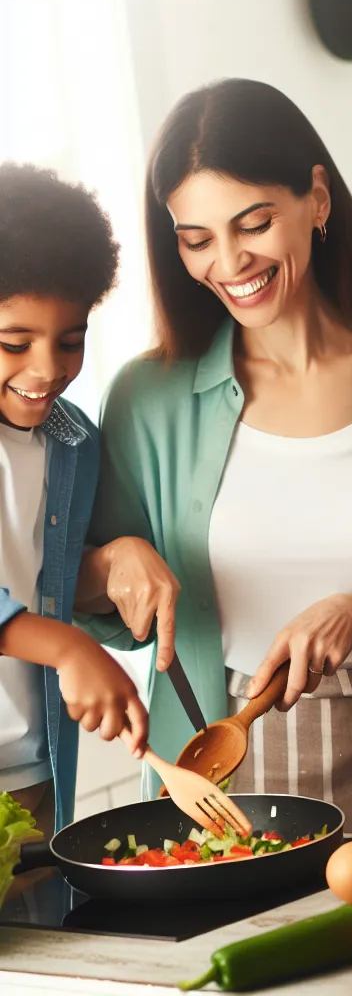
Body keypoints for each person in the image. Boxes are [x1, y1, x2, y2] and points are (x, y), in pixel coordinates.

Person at [74, 79, 352, 833]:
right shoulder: (148, 395)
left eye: (254, 223)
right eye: (196, 239)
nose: (229, 262)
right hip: (209, 778)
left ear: (318, 199)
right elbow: (77, 593)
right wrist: (114, 563)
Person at [0, 163, 147, 839]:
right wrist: (67, 649)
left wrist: (119, 557)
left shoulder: (74, 441)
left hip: (35, 768)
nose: (46, 369)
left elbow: (44, 574)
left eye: (70, 340)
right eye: (13, 342)